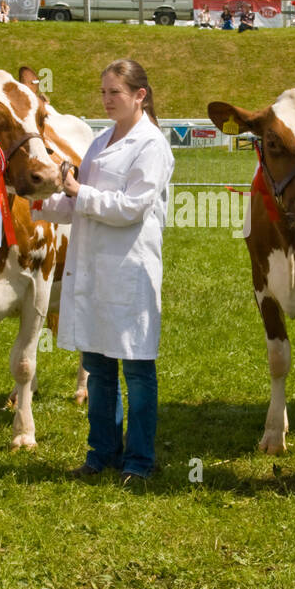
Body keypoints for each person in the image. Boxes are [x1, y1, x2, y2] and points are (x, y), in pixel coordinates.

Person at [38, 59, 173, 483]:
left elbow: (132, 208)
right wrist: (39, 201)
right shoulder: (99, 141)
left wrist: (78, 191)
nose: (107, 99)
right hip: (93, 267)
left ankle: (139, 461)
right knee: (97, 367)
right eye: (103, 92)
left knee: (136, 368)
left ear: (140, 95)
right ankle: (101, 454)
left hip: (129, 268)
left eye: (115, 92)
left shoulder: (152, 145)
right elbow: (80, 203)